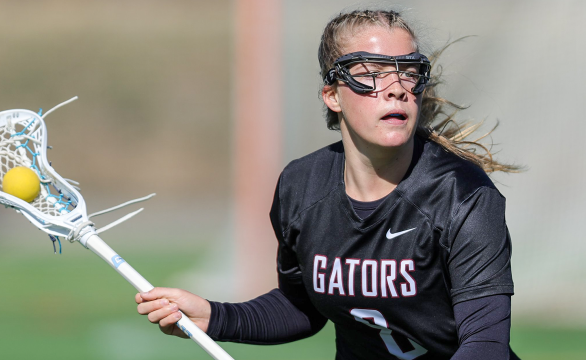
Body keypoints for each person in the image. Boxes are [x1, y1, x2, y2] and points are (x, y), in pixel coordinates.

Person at [136, 8, 521, 360]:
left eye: (408, 71)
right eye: (371, 72)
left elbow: (485, 345)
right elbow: (301, 306)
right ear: (332, 95)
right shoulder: (301, 186)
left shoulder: (465, 196)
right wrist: (214, 317)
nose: (397, 87)